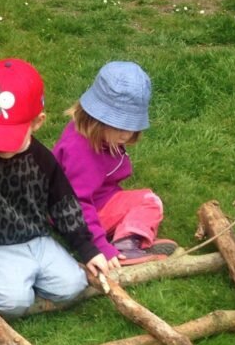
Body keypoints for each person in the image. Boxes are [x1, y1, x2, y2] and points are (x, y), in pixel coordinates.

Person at [0, 58, 108, 318]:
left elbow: (64, 206)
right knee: (12, 303)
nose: (0, 145)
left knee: (73, 286)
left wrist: (87, 248)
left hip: (37, 241)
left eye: (7, 137)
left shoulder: (43, 160)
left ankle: (19, 278)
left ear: (37, 122)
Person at [53, 61, 177, 267]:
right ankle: (125, 247)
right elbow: (77, 203)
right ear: (97, 119)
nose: (126, 133)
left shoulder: (96, 135)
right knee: (149, 202)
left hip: (99, 200)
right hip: (75, 215)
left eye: (131, 125)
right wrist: (99, 246)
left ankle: (131, 238)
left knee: (145, 202)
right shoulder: (81, 151)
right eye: (120, 125)